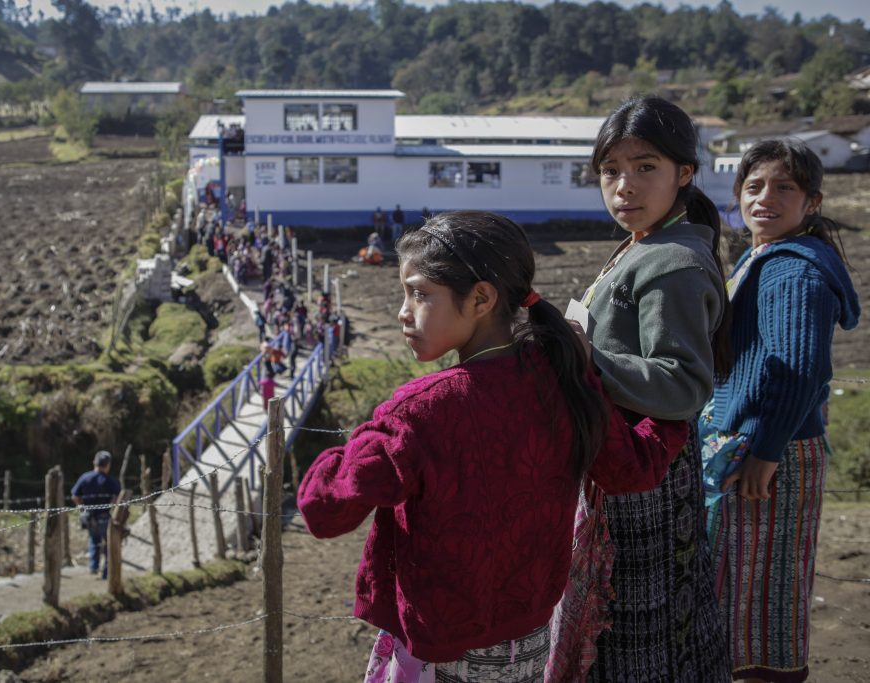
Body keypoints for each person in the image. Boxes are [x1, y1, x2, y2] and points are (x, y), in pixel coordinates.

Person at [298, 211, 689, 682]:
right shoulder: (562, 379)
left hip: (441, 656)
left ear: (481, 297)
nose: (403, 311)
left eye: (420, 294)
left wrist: (370, 434)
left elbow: (323, 510)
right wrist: (677, 413)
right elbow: (632, 469)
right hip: (528, 645)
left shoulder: (421, 411)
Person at [559, 96, 731, 682]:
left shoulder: (671, 262)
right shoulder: (644, 243)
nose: (624, 186)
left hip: (644, 475)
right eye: (611, 171)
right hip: (630, 461)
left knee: (641, 642)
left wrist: (586, 358)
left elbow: (684, 384)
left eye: (645, 167)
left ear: (685, 173)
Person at [707, 139, 860, 683]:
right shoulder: (762, 257)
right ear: (737, 197)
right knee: (746, 595)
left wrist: (765, 453)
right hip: (759, 447)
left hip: (775, 455)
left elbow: (799, 370)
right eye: (754, 187)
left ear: (811, 203)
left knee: (765, 604)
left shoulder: (793, 271)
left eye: (784, 187)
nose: (765, 198)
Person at [71, 451, 121, 579]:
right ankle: (106, 572)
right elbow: (117, 499)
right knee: (109, 543)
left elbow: (75, 496)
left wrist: (82, 509)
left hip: (88, 515)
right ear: (108, 465)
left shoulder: (85, 478)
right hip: (104, 515)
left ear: (95, 462)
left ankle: (93, 567)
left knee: (94, 541)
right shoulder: (111, 481)